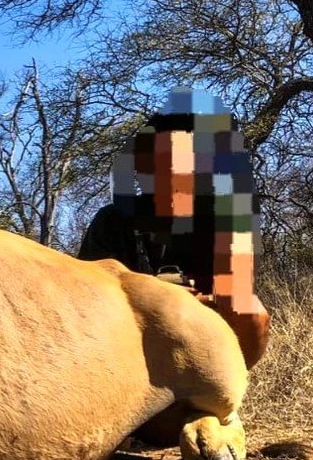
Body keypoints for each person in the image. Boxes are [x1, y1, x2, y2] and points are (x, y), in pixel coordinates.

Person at [78, 89, 270, 367]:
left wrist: (197, 300)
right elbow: (91, 296)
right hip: (131, 331)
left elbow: (236, 289)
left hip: (201, 327)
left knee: (252, 312)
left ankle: (227, 396)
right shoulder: (112, 220)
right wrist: (158, 296)